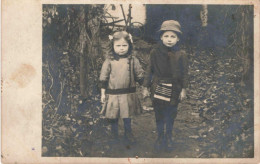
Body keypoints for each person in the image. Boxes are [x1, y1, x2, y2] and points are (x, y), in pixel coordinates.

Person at [143, 20, 188, 151]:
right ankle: (160, 136)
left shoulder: (182, 55)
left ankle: (168, 136)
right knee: (159, 113)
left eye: (173, 36)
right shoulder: (154, 52)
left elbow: (185, 73)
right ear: (161, 37)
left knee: (170, 113)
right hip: (158, 86)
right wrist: (145, 87)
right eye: (166, 36)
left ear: (178, 38)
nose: (169, 39)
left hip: (174, 88)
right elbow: (149, 70)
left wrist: (184, 89)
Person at [99, 31, 144, 144]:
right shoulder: (109, 61)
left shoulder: (133, 60)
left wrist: (145, 87)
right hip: (113, 93)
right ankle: (114, 136)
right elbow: (103, 78)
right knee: (113, 116)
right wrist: (103, 93)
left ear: (129, 46)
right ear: (112, 46)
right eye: (118, 46)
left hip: (128, 94)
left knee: (127, 115)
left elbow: (139, 75)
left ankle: (128, 134)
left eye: (124, 45)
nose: (121, 48)